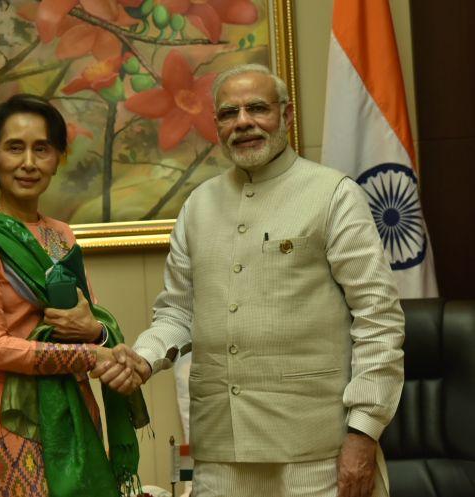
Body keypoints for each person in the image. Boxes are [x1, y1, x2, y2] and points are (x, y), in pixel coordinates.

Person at [92, 64, 405, 497]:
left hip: (315, 451)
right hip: (222, 450)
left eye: (257, 108)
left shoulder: (333, 194)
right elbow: (178, 311)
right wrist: (144, 358)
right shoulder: (198, 207)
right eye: (228, 113)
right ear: (217, 126)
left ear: (287, 116)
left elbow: (379, 318)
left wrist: (364, 431)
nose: (243, 121)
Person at [0, 94, 144, 497]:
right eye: (14, 148)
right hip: (6, 413)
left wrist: (101, 336)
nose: (29, 163)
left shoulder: (62, 234)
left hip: (72, 405)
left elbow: (90, 319)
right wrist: (93, 356)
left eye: (42, 149)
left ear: (58, 158)